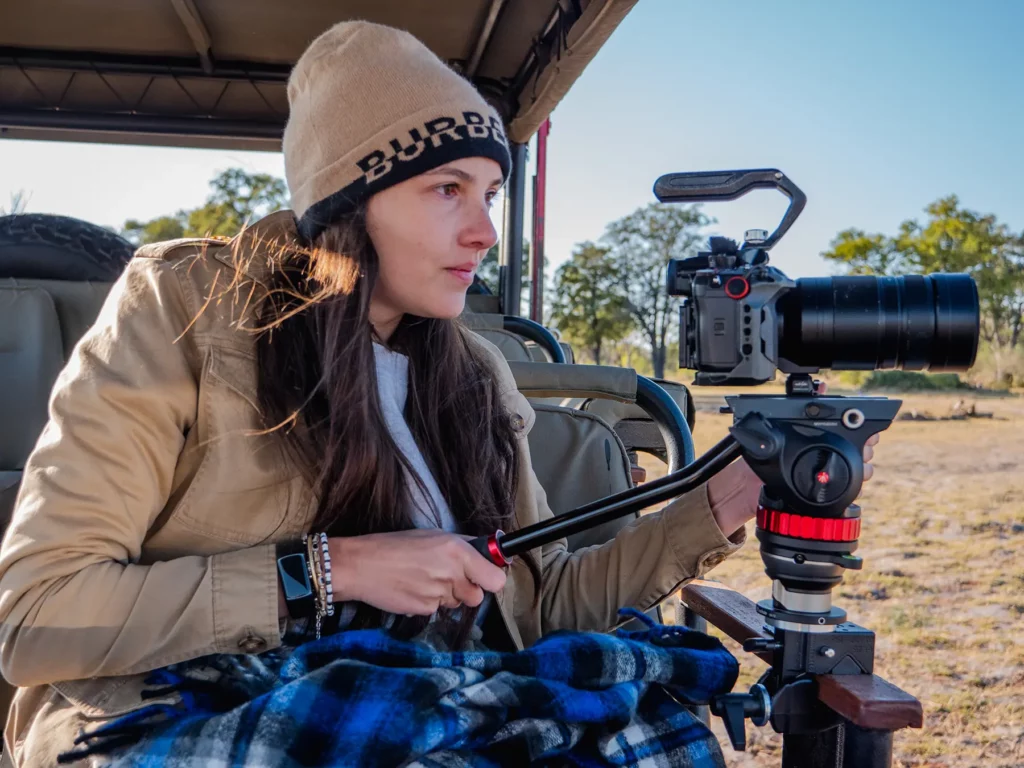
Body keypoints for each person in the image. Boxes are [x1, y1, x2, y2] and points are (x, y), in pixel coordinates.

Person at [0, 20, 877, 767]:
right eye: (446, 190)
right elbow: (36, 617)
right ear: (349, 204)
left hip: (425, 703)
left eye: (490, 192)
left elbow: (539, 607)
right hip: (176, 708)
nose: (484, 230)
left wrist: (718, 506)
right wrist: (327, 573)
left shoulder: (473, 373)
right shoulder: (184, 311)